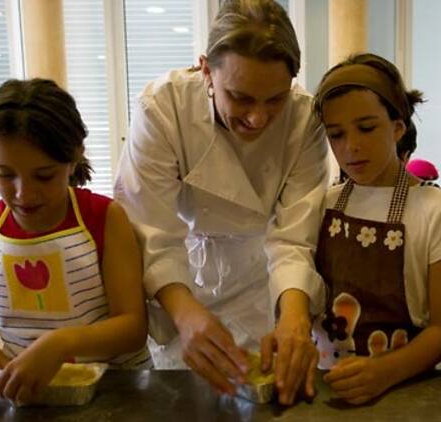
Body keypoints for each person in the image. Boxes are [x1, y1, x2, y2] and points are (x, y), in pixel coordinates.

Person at [114, 0, 329, 405]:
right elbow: (153, 233)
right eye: (241, 98)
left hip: (264, 279)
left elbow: (294, 237)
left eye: (274, 100)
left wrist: (296, 317)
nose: (257, 118)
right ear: (206, 70)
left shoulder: (304, 120)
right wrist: (184, 313)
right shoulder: (163, 108)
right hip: (182, 279)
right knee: (186, 403)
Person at [0, 78, 151, 405]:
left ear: (73, 159)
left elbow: (132, 328)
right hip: (24, 395)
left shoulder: (104, 218)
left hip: (113, 392)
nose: (23, 193)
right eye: (4, 174)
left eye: (44, 175)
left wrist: (60, 344)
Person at [310, 53, 441, 405]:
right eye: (336, 134)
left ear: (398, 128)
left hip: (405, 386)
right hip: (327, 381)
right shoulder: (324, 204)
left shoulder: (438, 210)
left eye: (367, 128)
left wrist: (384, 372)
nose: (351, 146)